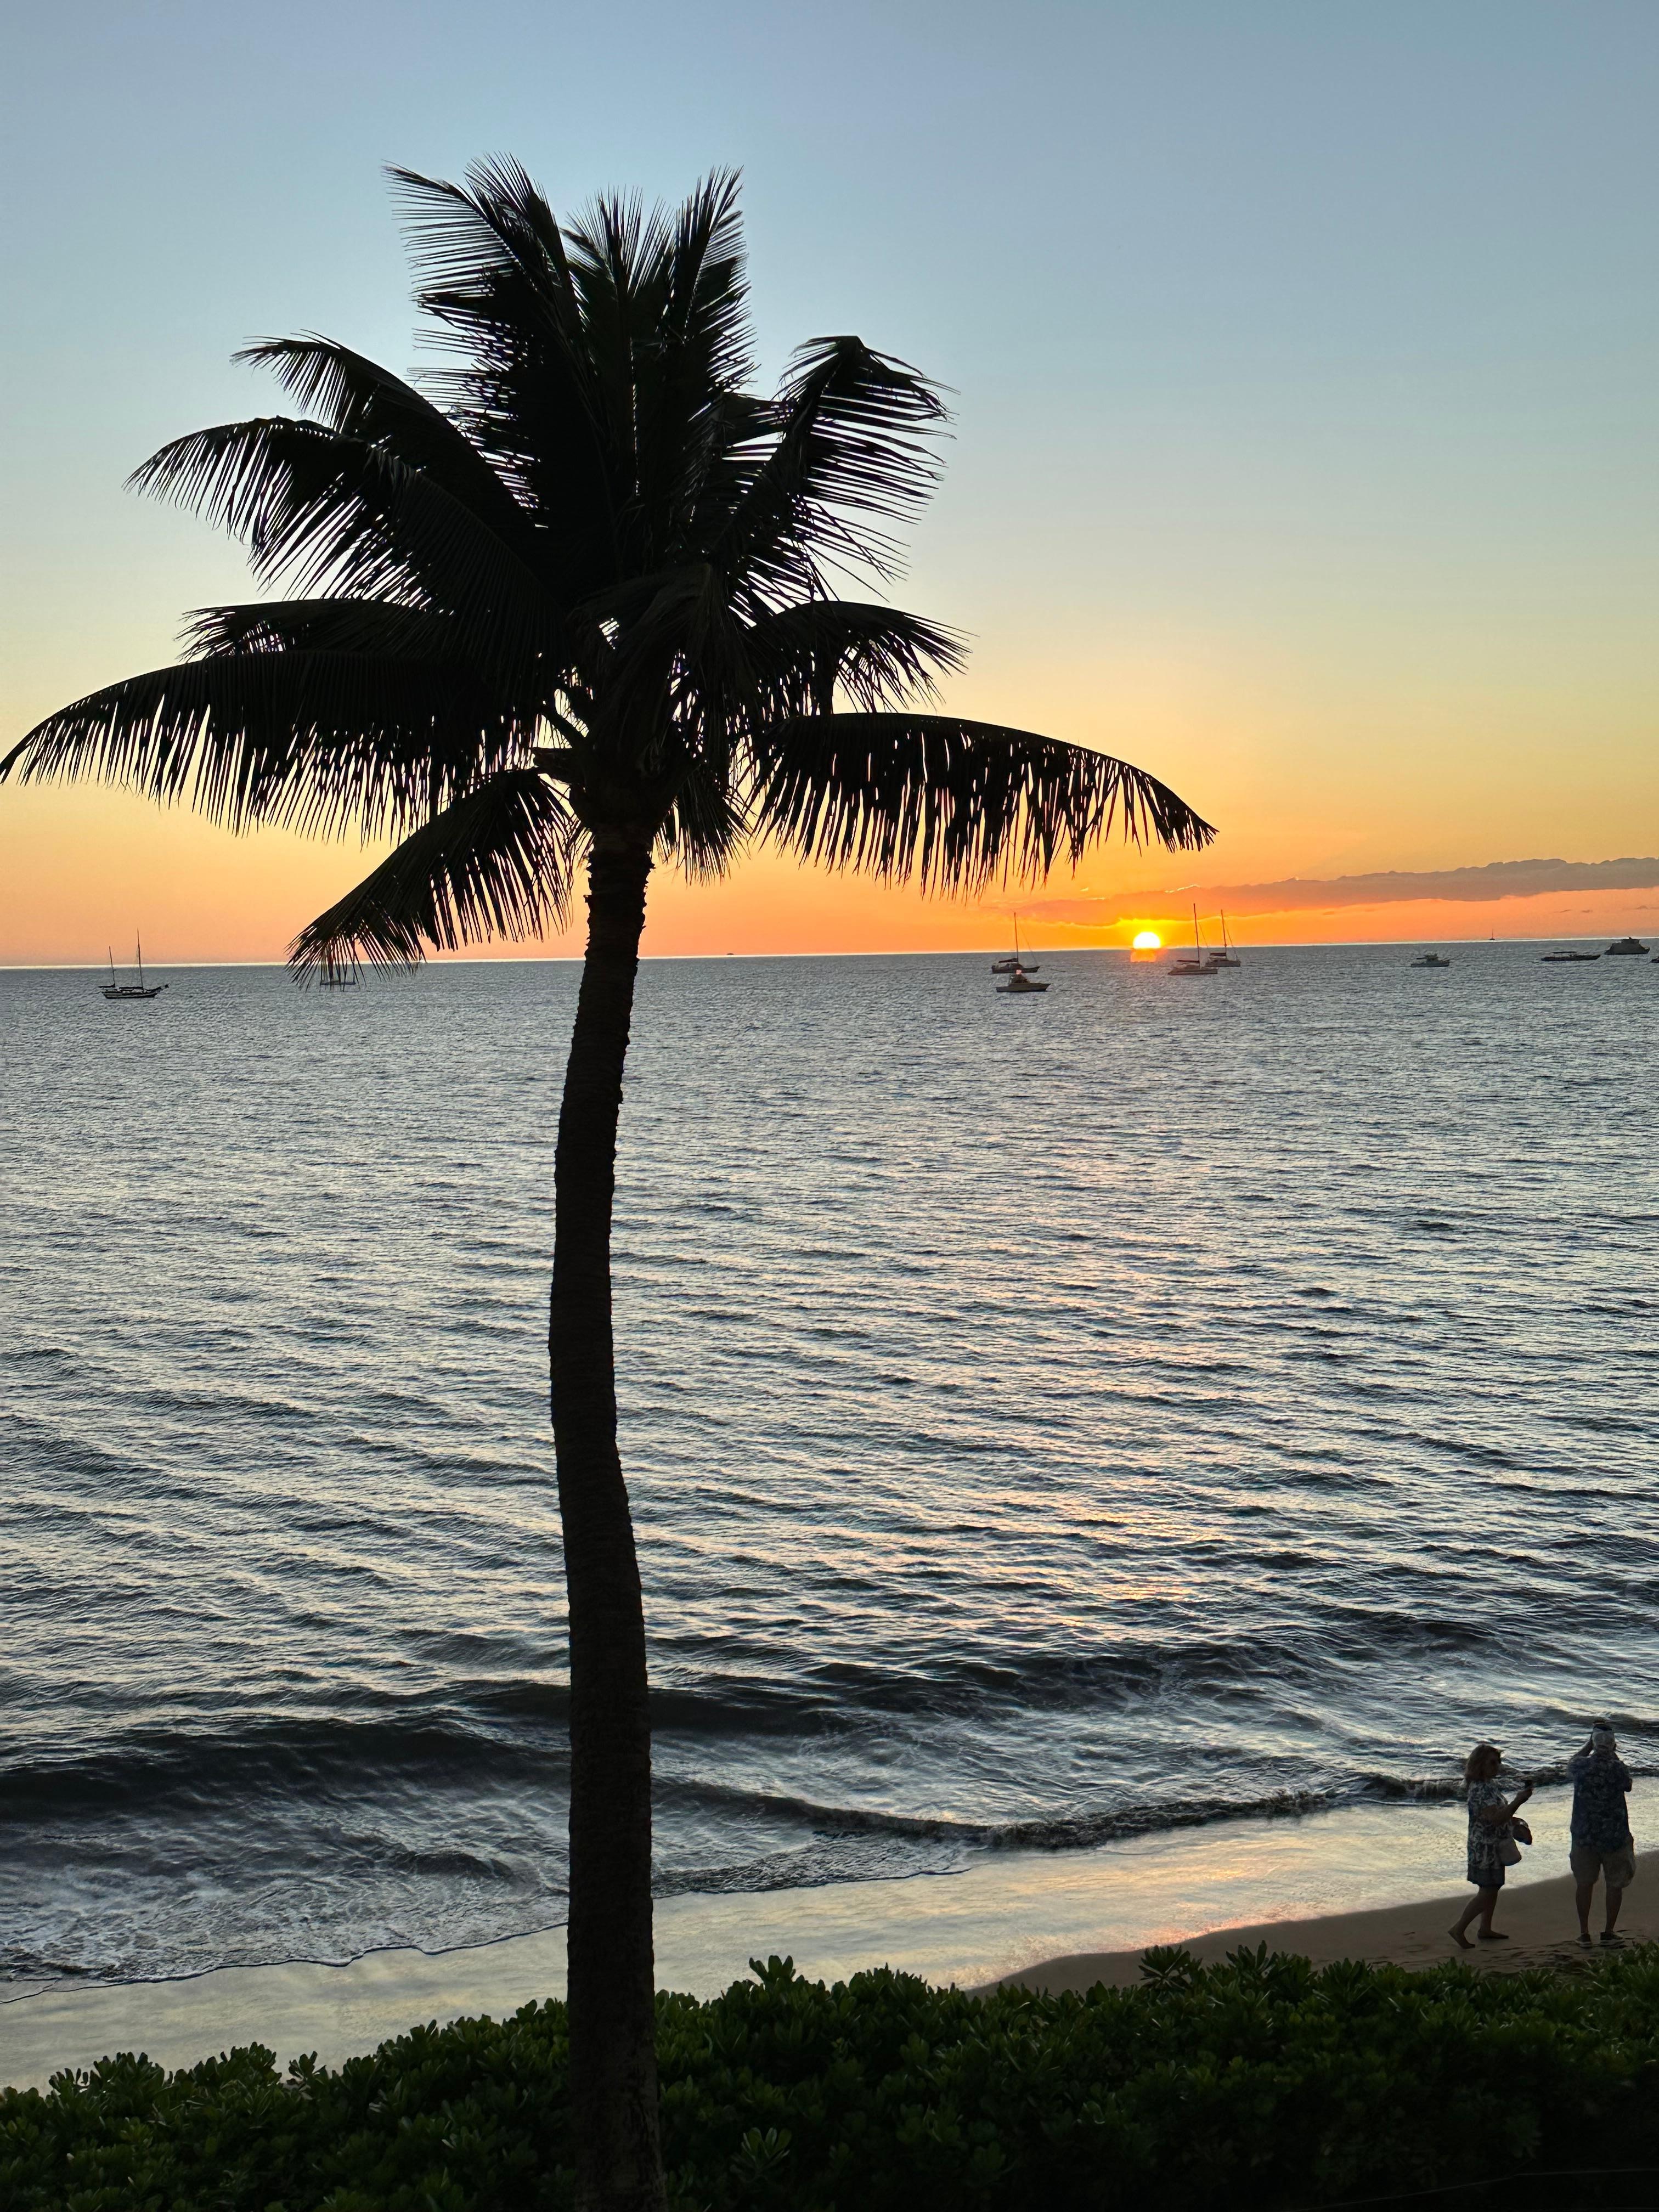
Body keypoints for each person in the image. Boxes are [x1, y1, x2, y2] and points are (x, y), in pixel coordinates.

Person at [1450, 1742, 1533, 1948]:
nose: (1497, 1767)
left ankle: (1485, 1928)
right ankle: (1459, 1929)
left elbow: (1500, 1815)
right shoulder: (1481, 1789)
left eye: (1498, 1762)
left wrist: (1516, 1823)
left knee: (1493, 1888)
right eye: (1492, 1763)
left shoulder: (1488, 1785)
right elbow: (1495, 1818)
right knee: (1488, 1890)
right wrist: (1518, 1801)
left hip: (1493, 1844)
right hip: (1485, 1848)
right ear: (1480, 1764)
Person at [1568, 1724, 1635, 1947]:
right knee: (1614, 1884)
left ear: (1594, 1743)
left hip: (1584, 1834)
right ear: (1613, 1744)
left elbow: (1571, 1763)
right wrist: (1612, 1753)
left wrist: (1589, 1745)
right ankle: (1608, 1932)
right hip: (1614, 1834)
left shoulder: (1581, 1766)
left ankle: (1584, 1933)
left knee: (1584, 1884)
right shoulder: (1618, 1768)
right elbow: (1628, 1786)